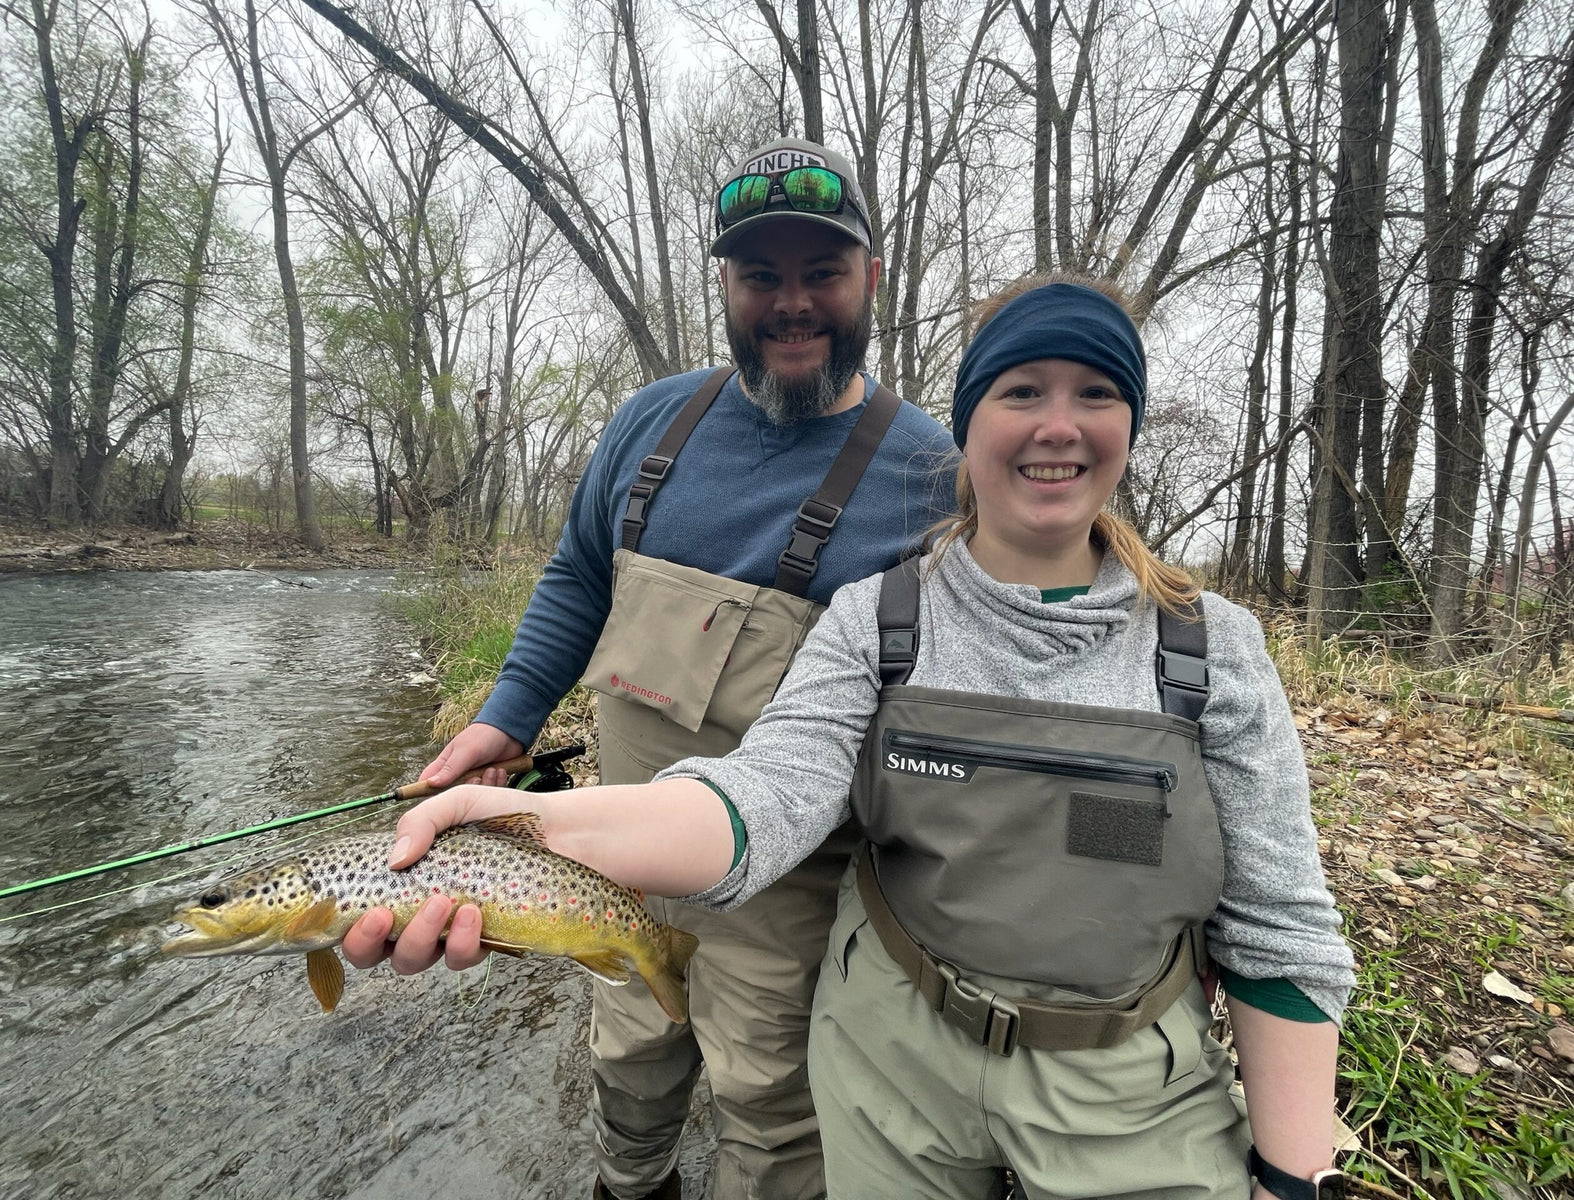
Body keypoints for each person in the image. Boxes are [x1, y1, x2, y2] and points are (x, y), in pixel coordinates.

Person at [372, 273, 1357, 1200]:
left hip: (1129, 1082)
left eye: (1096, 393)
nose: (1057, 425)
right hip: (888, 1055)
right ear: (969, 422)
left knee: (759, 1094)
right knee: (631, 1053)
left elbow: (1280, 930)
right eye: (1021, 391)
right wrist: (519, 829)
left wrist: (1289, 1176)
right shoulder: (873, 616)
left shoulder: (1211, 648)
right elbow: (762, 795)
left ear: (1129, 424)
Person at [342, 138, 953, 1200]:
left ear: (872, 278)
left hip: (790, 875)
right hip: (615, 838)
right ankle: (631, 1184)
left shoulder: (930, 472)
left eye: (823, 272)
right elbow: (579, 576)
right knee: (626, 1042)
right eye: (762, 275)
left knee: (768, 1081)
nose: (792, 303)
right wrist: (507, 717)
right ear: (724, 283)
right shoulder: (648, 424)